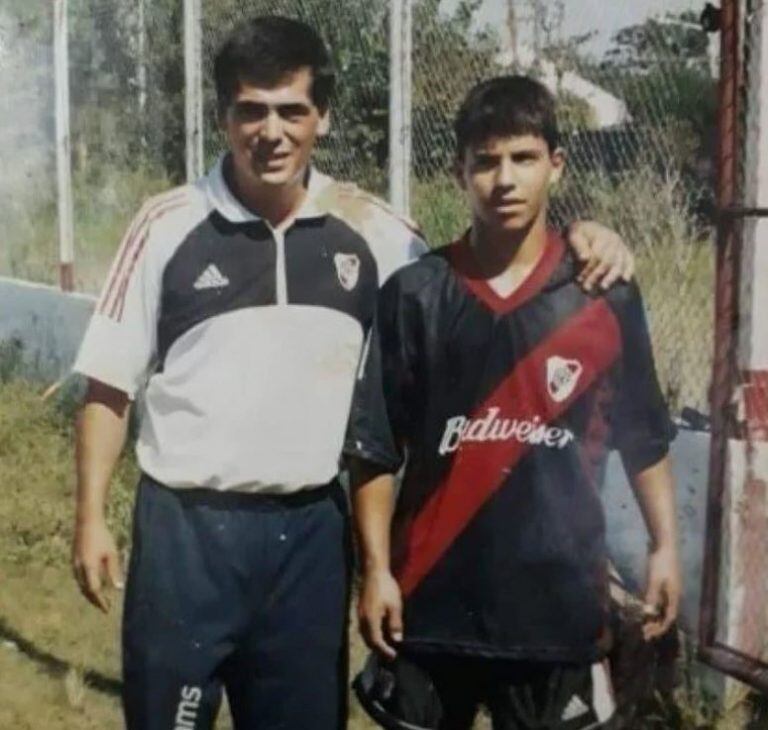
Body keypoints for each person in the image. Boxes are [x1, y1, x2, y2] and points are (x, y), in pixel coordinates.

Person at [70, 15, 637, 730]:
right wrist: (90, 517)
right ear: (222, 118)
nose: (270, 132)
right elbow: (107, 387)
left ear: (323, 118)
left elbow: (480, 274)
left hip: (311, 531)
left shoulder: (372, 230)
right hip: (187, 531)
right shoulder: (166, 227)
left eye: (292, 111)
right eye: (251, 110)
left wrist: (584, 236)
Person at [346, 75, 682, 730]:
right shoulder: (415, 294)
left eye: (523, 158)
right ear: (459, 171)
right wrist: (377, 570)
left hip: (556, 611)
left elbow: (643, 435)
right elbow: (375, 449)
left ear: (555, 165)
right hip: (431, 603)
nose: (505, 179)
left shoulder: (602, 294)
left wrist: (664, 545)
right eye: (486, 160)